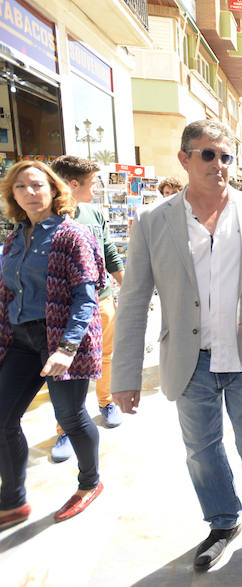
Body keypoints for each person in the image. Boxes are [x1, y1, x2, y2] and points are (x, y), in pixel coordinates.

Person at [111, 120, 242, 573]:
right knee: (201, 449)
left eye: (225, 156)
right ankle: (222, 521)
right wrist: (125, 376)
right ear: (184, 159)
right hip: (190, 362)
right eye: (207, 154)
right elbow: (133, 300)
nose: (219, 164)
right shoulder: (155, 221)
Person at [0, 160, 106, 529]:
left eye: (37, 185)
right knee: (2, 419)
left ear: (54, 189)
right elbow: (7, 292)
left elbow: (85, 297)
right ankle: (13, 502)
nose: (30, 193)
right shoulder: (13, 239)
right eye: (20, 187)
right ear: (12, 195)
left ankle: (90, 483)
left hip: (60, 338)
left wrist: (68, 347)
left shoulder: (71, 234)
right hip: (20, 339)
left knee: (70, 417)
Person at [48, 156, 124, 463]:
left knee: (107, 356)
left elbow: (109, 250)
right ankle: (64, 427)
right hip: (64, 310)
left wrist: (127, 285)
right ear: (73, 184)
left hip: (102, 299)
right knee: (63, 370)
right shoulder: (44, 217)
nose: (97, 188)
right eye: (92, 182)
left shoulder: (94, 212)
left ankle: (106, 402)